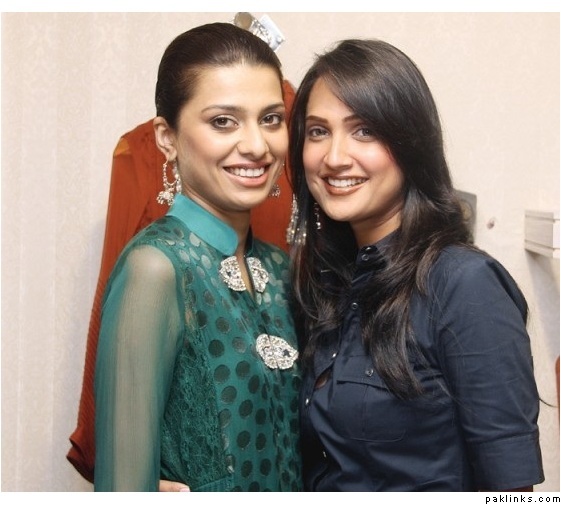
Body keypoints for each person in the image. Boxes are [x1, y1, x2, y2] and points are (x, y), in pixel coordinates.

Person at [288, 38, 544, 491]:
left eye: (364, 130)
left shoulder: (463, 285)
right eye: (318, 131)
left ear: (410, 142)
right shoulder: (328, 282)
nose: (334, 158)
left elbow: (513, 492)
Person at [93, 22, 302, 491]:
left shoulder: (280, 269)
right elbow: (122, 486)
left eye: (271, 119)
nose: (257, 145)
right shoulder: (156, 267)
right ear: (166, 137)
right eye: (223, 121)